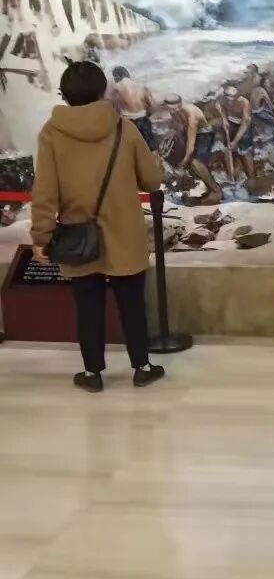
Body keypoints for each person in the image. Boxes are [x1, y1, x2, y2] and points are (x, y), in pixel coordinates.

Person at [30, 61, 165, 393]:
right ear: (103, 90)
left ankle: (92, 374)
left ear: (65, 94)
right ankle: (142, 367)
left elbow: (45, 190)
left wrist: (41, 235)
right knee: (132, 303)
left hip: (78, 235)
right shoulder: (124, 128)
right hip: (124, 233)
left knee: (87, 306)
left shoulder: (51, 133)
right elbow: (151, 180)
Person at [162, 93, 222, 206]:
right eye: (169, 109)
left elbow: (191, 145)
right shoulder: (174, 111)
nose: (172, 112)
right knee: (177, 156)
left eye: (174, 109)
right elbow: (178, 128)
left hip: (205, 134)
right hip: (189, 133)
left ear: (180, 105)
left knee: (194, 161)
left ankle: (216, 191)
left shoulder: (192, 116)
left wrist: (184, 161)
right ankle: (206, 189)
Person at [109, 66, 157, 151]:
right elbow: (152, 105)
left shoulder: (116, 89)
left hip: (128, 122)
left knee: (132, 149)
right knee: (151, 148)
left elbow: (114, 109)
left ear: (116, 76)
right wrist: (147, 116)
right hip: (143, 119)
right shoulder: (141, 86)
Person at [217, 84, 255, 183]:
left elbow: (245, 124)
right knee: (228, 148)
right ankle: (232, 177)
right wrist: (224, 118)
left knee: (245, 150)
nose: (230, 102)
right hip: (231, 123)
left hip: (243, 126)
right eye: (228, 99)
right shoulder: (222, 99)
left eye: (233, 99)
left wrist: (235, 142)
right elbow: (219, 105)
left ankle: (251, 177)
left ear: (237, 96)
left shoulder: (245, 103)